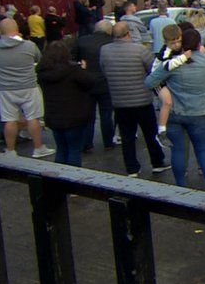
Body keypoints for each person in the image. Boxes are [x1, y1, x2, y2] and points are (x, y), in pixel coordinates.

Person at [146, 28, 205, 194]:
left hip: (175, 112)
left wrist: (163, 87)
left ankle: (181, 187)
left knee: (178, 150)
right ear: (198, 43)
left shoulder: (173, 64)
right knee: (203, 148)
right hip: (199, 112)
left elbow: (150, 81)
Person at [100, 21, 169, 176]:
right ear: (129, 33)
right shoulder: (140, 50)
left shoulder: (104, 51)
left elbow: (104, 70)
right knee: (151, 133)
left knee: (127, 136)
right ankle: (157, 162)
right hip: (142, 99)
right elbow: (153, 72)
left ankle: (132, 167)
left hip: (119, 100)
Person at [0, 18, 55, 157]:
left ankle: (11, 150)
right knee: (33, 117)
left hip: (5, 88)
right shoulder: (29, 46)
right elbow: (38, 59)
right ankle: (38, 147)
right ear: (17, 29)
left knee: (9, 119)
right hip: (28, 85)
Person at [37, 41, 95, 166]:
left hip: (54, 116)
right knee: (74, 150)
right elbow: (89, 83)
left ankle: (60, 182)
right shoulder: (73, 70)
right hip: (74, 116)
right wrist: (83, 69)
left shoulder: (42, 72)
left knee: (61, 149)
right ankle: (72, 181)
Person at [72, 20, 115, 152]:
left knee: (88, 115)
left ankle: (87, 143)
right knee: (106, 114)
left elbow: (74, 58)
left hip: (87, 82)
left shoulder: (82, 41)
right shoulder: (111, 42)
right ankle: (108, 142)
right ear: (109, 30)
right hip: (105, 82)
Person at [151, 24, 190, 147]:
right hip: (158, 80)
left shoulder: (181, 47)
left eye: (179, 41)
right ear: (165, 42)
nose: (176, 45)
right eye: (173, 43)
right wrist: (184, 57)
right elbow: (167, 67)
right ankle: (161, 131)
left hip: (168, 80)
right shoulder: (165, 52)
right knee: (167, 102)